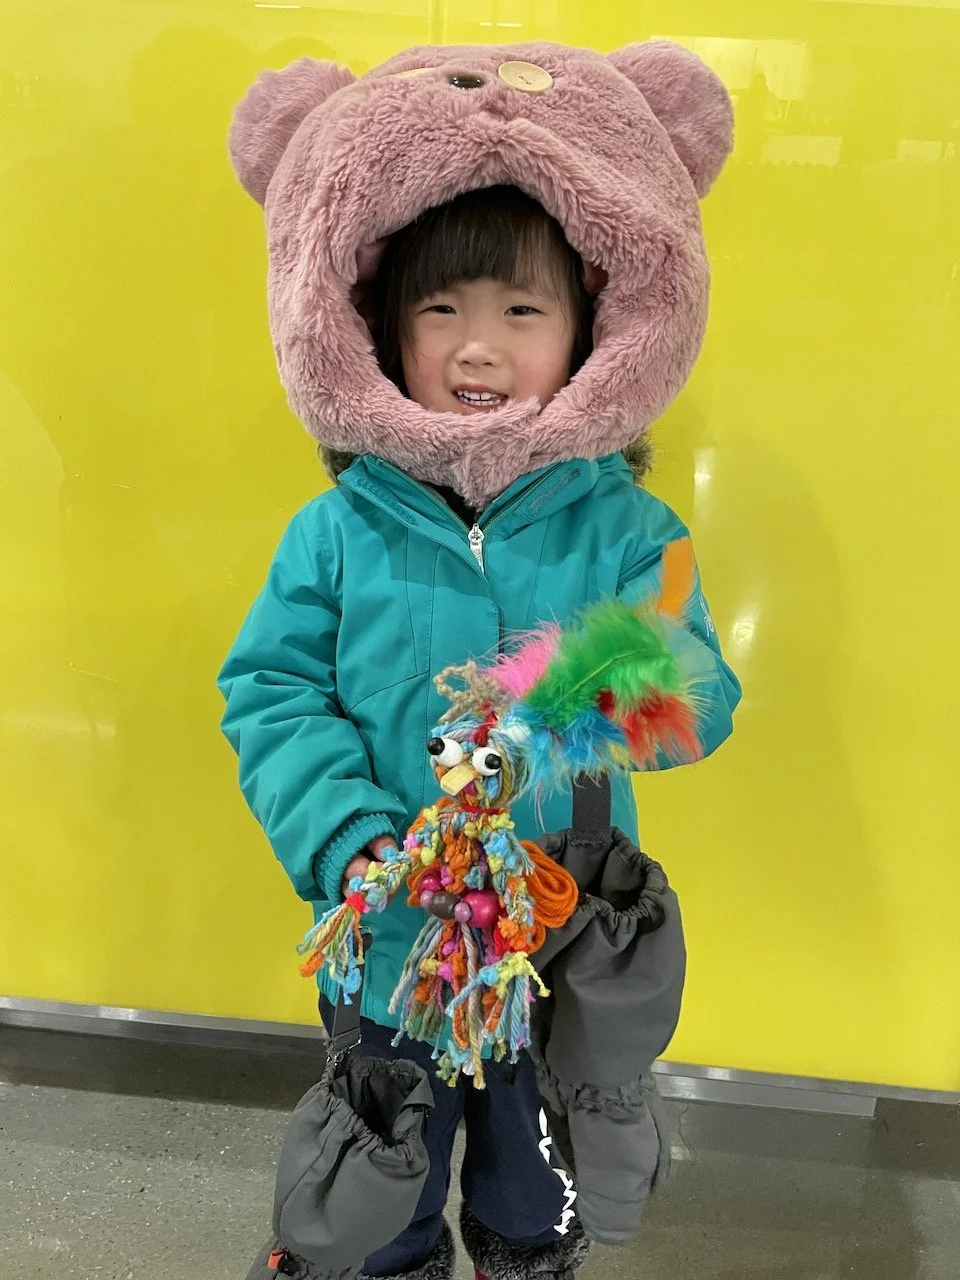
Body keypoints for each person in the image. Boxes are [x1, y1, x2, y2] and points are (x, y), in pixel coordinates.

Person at [220, 40, 741, 1280]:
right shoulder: (336, 531)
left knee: (533, 1189)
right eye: (438, 309)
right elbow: (271, 688)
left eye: (522, 310)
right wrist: (346, 831)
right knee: (382, 1183)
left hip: (551, 951)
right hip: (391, 942)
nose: (476, 345)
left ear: (592, 329)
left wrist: (549, 708)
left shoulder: (621, 526)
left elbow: (696, 684)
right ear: (377, 330)